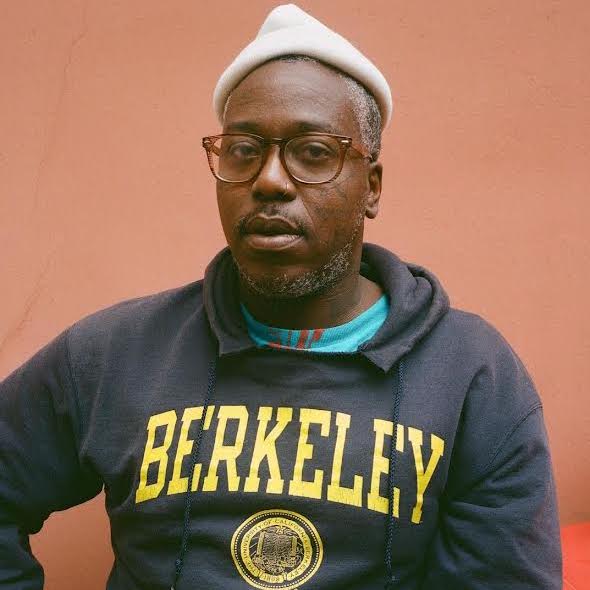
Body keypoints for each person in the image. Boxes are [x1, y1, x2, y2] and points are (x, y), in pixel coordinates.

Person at [0, 4, 562, 590]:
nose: (269, 179)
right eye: (243, 149)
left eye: (313, 152)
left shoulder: (473, 375)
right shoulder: (113, 354)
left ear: (370, 187)